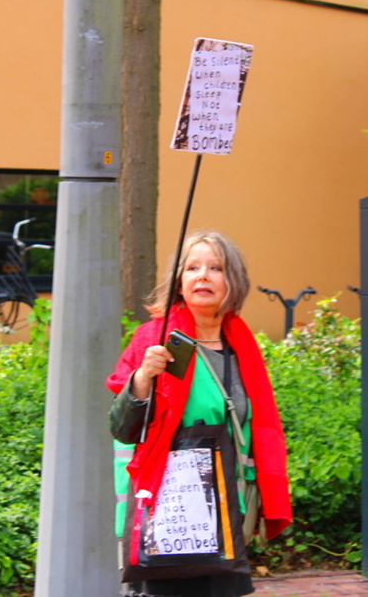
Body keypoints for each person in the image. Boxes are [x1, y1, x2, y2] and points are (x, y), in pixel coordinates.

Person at [107, 231, 292, 597]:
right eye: (192, 267)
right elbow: (122, 427)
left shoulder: (242, 349)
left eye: (215, 268)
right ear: (179, 282)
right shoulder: (154, 340)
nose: (203, 275)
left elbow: (256, 430)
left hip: (223, 518)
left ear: (233, 282)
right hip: (167, 513)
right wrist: (143, 377)